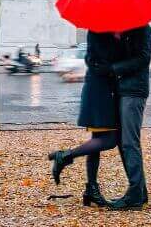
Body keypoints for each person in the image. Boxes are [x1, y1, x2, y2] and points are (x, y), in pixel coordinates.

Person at [47, 31, 121, 207]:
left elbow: (93, 59)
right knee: (110, 140)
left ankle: (91, 190)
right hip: (101, 92)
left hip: (97, 90)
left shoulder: (99, 31)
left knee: (96, 142)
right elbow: (102, 64)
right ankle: (65, 156)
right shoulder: (102, 31)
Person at [108, 24, 151, 211]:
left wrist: (115, 68)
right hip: (123, 90)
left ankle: (135, 194)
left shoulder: (143, 29)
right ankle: (140, 192)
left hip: (134, 91)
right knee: (122, 141)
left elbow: (143, 58)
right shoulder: (125, 30)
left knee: (129, 142)